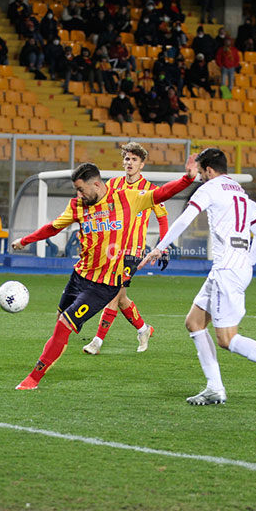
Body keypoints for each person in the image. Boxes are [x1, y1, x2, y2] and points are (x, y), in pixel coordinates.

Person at [10, 159, 199, 390]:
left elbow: (161, 193)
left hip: (104, 284)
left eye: (81, 189)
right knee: (60, 321)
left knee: (64, 325)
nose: (79, 194)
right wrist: (25, 240)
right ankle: (52, 357)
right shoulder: (77, 206)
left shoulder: (126, 198)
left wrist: (187, 179)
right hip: (79, 276)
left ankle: (33, 379)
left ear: (97, 185)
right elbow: (53, 227)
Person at [139, 148, 256, 405]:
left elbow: (184, 220)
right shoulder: (242, 193)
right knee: (194, 322)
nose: (200, 178)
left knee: (227, 339)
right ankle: (214, 388)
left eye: (201, 173)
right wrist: (246, 263)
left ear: (208, 170)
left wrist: (160, 247)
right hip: (234, 267)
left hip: (226, 270)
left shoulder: (210, 188)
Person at [82, 143, 169, 356]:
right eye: (127, 159)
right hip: (112, 249)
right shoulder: (113, 185)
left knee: (112, 294)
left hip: (133, 251)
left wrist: (163, 247)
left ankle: (97, 342)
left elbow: (163, 219)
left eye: (134, 160)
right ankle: (143, 329)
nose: (129, 163)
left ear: (142, 164)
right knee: (121, 298)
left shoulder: (151, 190)